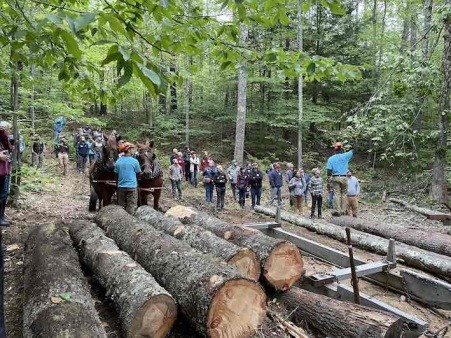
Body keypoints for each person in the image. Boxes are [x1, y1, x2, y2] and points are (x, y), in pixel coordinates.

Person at [326, 141, 355, 216]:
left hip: (336, 177)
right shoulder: (346, 155)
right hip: (344, 177)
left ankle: (337, 211)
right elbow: (353, 150)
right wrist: (345, 147)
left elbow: (329, 170)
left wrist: (329, 178)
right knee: (344, 194)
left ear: (334, 150)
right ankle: (343, 210)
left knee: (337, 194)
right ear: (341, 149)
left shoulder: (331, 159)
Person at [115, 142, 141, 215]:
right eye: (132, 149)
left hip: (121, 187)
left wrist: (118, 185)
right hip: (132, 187)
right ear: (129, 150)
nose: (133, 150)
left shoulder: (118, 161)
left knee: (121, 207)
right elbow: (138, 174)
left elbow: (116, 175)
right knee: (131, 206)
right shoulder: (135, 161)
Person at [0, 122, 12, 226]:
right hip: (1, 170)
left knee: (4, 194)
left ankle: (1, 216)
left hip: (5, 169)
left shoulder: (4, 137)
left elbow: (8, 149)